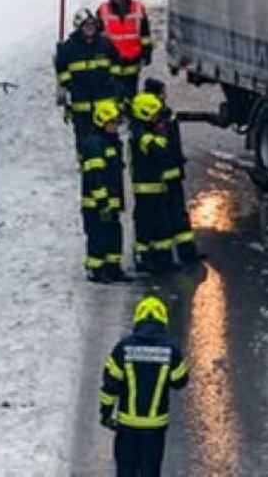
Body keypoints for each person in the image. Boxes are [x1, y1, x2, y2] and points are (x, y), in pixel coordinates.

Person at [100, 296, 188, 476]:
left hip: (127, 427)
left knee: (125, 471)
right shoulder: (171, 350)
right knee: (150, 471)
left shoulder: (123, 348)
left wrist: (106, 414)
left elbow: (110, 386)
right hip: (155, 428)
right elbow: (180, 381)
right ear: (163, 319)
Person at [143, 78, 205, 267]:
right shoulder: (151, 117)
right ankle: (165, 257)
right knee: (165, 217)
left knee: (179, 215)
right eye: (162, 92)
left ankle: (187, 252)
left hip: (174, 172)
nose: (165, 95)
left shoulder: (167, 114)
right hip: (163, 177)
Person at [79, 99, 132, 283]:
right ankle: (96, 269)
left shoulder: (110, 142)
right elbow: (95, 177)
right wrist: (103, 203)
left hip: (110, 200)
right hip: (96, 203)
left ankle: (112, 267)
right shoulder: (94, 144)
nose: (115, 126)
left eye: (116, 122)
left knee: (113, 234)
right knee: (98, 236)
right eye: (112, 122)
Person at [55, 7, 120, 150]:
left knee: (110, 142)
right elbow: (61, 71)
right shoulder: (68, 49)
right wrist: (71, 85)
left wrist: (113, 80)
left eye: (92, 25)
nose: (90, 29)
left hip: (105, 102)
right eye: (86, 26)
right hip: (82, 105)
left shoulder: (105, 44)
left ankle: (113, 163)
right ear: (79, 27)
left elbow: (116, 63)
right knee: (85, 143)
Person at [129, 92, 177, 272]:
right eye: (154, 114)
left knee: (162, 224)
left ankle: (163, 258)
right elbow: (159, 150)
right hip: (146, 188)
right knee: (145, 224)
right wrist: (163, 134)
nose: (157, 117)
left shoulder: (146, 129)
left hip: (157, 185)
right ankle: (143, 258)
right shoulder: (139, 133)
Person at [98, 0, 153, 102]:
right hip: (111, 59)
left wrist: (147, 51)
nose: (119, 0)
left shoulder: (138, 8)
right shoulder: (102, 10)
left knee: (130, 93)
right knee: (112, 94)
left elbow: (145, 33)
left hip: (132, 59)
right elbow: (97, 35)